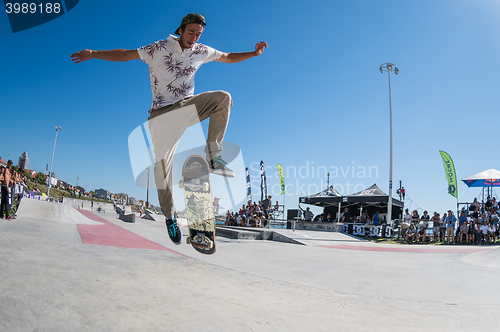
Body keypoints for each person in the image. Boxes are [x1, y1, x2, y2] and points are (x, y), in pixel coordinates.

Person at [71, 13, 267, 245]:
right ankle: (169, 215)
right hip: (161, 115)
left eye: (198, 34)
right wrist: (93, 54)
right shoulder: (159, 47)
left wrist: (253, 53)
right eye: (191, 32)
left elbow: (228, 57)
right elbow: (125, 55)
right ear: (181, 30)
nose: (194, 38)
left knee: (223, 98)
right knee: (162, 166)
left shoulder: (201, 51)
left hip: (186, 107)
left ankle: (213, 156)